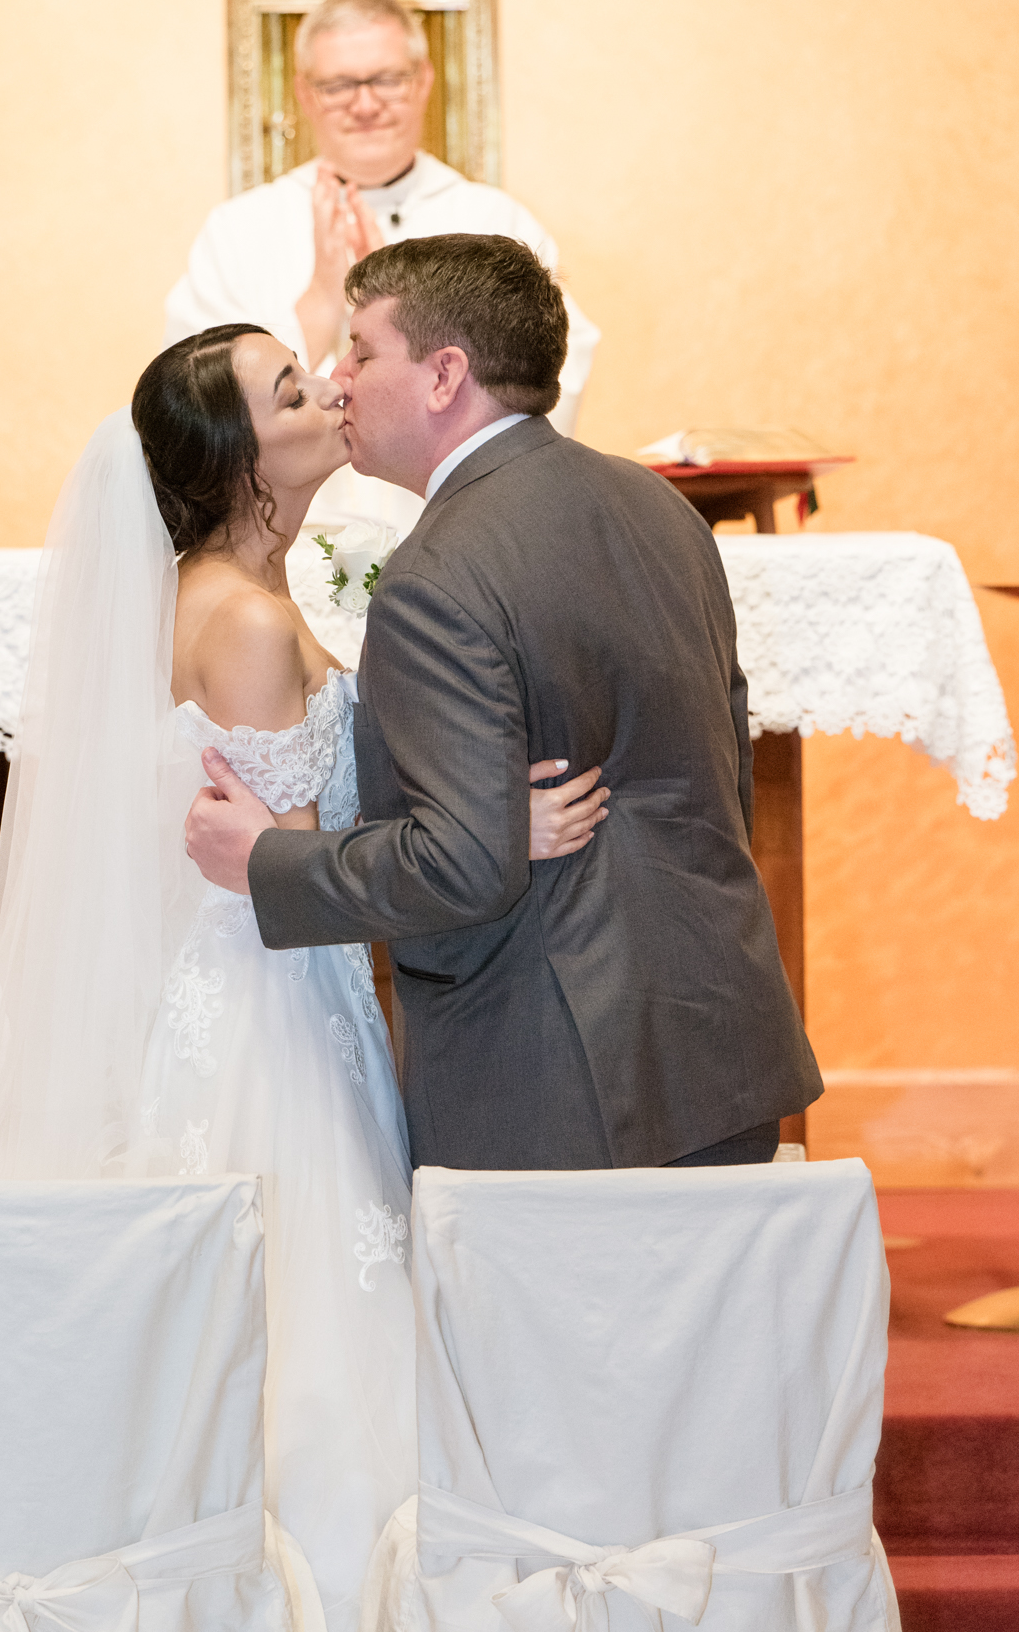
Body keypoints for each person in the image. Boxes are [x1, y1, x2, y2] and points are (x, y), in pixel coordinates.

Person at [0, 325, 606, 1632]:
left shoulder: (246, 588)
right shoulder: (246, 621)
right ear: (240, 456)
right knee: (303, 1311)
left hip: (274, 984)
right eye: (291, 390)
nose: (324, 393)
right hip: (263, 1005)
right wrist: (504, 836)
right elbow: (295, 860)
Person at [185, 235, 825, 1172]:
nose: (339, 378)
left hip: (553, 1065)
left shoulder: (438, 573)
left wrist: (267, 864)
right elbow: (720, 770)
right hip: (720, 1034)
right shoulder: (656, 507)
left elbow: (463, 868)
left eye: (361, 351)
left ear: (445, 375)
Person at [163, 0, 600, 534]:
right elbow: (194, 399)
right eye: (339, 85)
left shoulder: (491, 220)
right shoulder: (239, 229)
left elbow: (551, 369)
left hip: (462, 528)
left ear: (423, 81)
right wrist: (315, 316)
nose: (365, 105)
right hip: (292, 539)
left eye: (387, 80)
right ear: (304, 92)